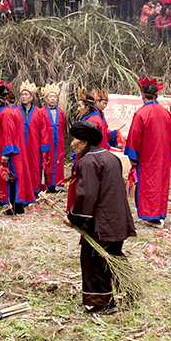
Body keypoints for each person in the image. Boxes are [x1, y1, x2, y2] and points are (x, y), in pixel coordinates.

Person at [67, 120, 135, 315]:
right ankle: (131, 291)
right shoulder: (110, 157)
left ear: (85, 142)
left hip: (101, 222)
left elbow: (86, 195)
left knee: (94, 259)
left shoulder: (88, 161)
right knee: (113, 255)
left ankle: (103, 302)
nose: (72, 143)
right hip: (117, 219)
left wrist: (75, 217)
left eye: (75, 139)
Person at [126, 78, 171, 227]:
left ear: (143, 95)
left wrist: (133, 156)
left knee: (148, 184)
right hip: (163, 157)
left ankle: (151, 216)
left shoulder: (141, 114)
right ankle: (160, 214)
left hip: (147, 156)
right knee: (161, 184)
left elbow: (135, 136)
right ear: (156, 96)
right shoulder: (168, 114)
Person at [0, 82, 30, 213]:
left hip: (8, 153)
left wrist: (6, 155)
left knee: (9, 178)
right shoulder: (9, 111)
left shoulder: (6, 113)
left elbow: (8, 134)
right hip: (6, 152)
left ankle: (12, 206)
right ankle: (12, 204)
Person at [32, 84, 68, 193]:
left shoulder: (61, 112)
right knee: (47, 163)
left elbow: (63, 128)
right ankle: (46, 185)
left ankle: (55, 184)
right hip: (46, 142)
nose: (53, 99)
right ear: (46, 99)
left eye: (54, 97)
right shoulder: (40, 112)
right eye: (50, 97)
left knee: (57, 162)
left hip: (58, 142)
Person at [17, 81, 43, 198]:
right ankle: (22, 191)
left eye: (26, 95)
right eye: (22, 95)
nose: (23, 97)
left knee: (34, 166)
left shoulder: (39, 112)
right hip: (20, 144)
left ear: (32, 97)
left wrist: (44, 147)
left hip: (34, 145)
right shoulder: (16, 111)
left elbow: (44, 131)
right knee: (20, 166)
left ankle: (34, 190)